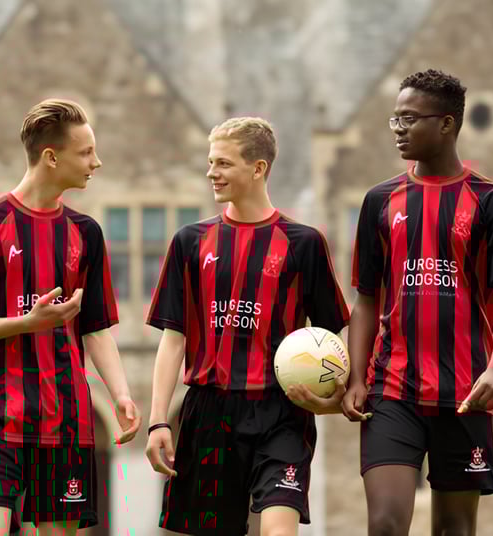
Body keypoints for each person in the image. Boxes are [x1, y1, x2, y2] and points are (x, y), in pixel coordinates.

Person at [342, 69, 493, 536]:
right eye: (395, 119)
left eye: (409, 119)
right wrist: (356, 376)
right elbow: (366, 300)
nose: (398, 129)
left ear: (447, 124)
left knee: (455, 530)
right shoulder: (379, 201)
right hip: (392, 389)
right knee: (385, 525)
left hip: (467, 393)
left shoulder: (492, 203)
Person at [0, 98, 141, 536]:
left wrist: (121, 394)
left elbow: (96, 329)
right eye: (86, 152)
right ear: (51, 157)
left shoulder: (87, 233)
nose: (96, 162)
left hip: (65, 419)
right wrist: (26, 323)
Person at [144, 117, 350, 536]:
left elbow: (332, 337)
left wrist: (334, 398)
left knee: (279, 530)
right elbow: (174, 339)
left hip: (282, 410)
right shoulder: (189, 241)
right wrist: (158, 420)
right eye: (210, 162)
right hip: (209, 411)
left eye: (223, 163)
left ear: (258, 168)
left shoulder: (304, 243)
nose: (211, 172)